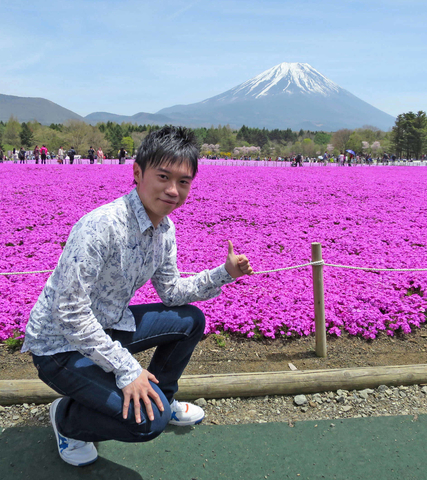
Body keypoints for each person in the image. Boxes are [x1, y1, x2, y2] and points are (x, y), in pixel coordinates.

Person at [22, 126, 253, 467]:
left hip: (109, 326)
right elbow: (69, 313)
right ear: (137, 173)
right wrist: (126, 368)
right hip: (58, 347)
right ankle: (67, 420)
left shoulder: (165, 230)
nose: (173, 190)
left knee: (191, 320)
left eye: (184, 182)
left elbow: (172, 293)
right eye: (163, 176)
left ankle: (164, 397)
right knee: (148, 423)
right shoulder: (100, 226)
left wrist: (224, 273)